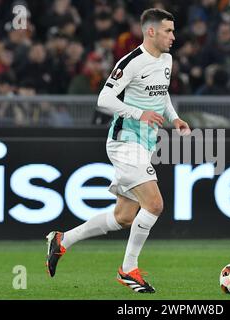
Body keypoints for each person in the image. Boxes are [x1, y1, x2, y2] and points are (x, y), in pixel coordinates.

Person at [45, 8, 191, 294]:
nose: (173, 36)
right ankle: (128, 270)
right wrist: (140, 114)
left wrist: (173, 117)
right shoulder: (132, 61)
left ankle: (62, 240)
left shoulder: (167, 59)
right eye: (168, 31)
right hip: (125, 141)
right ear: (151, 31)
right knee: (155, 205)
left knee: (124, 216)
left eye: (173, 30)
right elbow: (104, 99)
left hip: (146, 143)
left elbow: (162, 93)